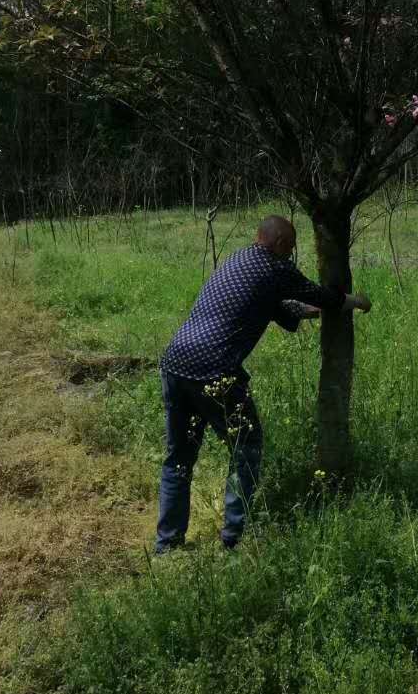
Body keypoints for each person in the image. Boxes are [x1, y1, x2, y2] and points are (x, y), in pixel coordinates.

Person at [154, 213, 370, 555]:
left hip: (175, 363)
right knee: (247, 446)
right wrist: (353, 302)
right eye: (292, 247)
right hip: (214, 369)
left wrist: (312, 311)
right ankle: (233, 538)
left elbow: (282, 309)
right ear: (282, 244)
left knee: (178, 458)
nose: (292, 254)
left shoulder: (239, 260)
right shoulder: (274, 267)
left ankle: (167, 545)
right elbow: (322, 295)